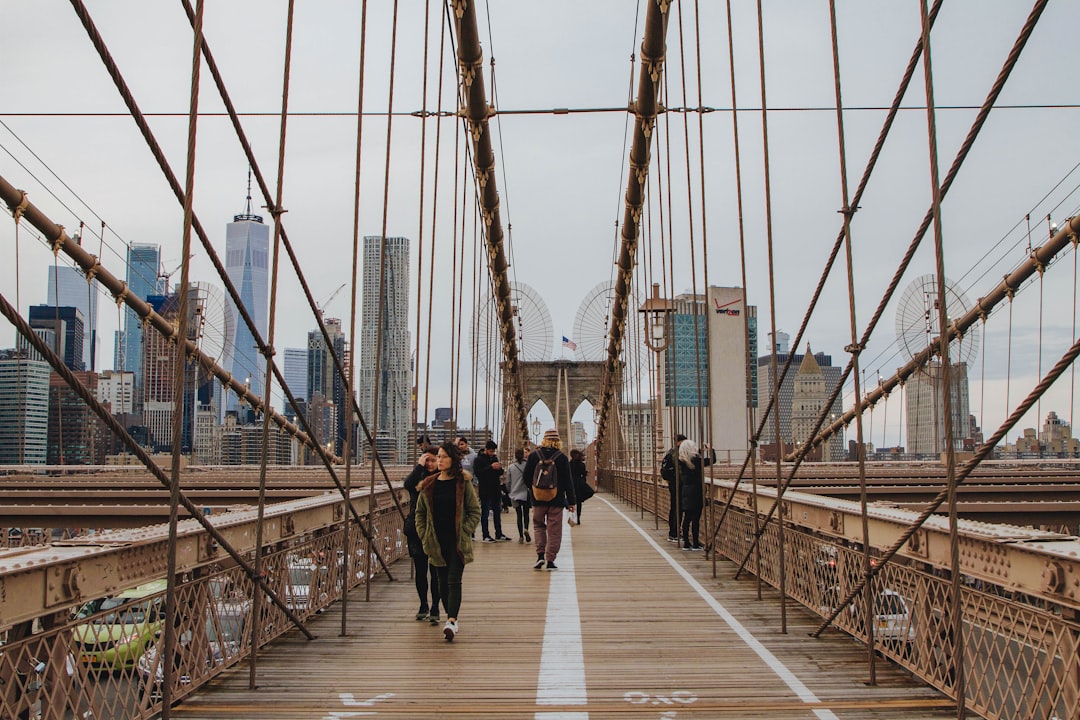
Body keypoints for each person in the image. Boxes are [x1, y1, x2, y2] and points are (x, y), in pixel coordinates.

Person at [414, 440, 481, 641]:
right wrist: (424, 535)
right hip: (436, 541)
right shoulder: (428, 484)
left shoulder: (463, 482)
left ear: (453, 460)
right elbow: (420, 513)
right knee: (442, 583)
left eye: (443, 457)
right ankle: (450, 617)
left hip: (457, 541)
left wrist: (466, 530)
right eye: (438, 457)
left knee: (454, 580)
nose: (439, 460)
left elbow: (474, 511)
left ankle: (452, 620)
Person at [523, 429, 576, 570]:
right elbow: (568, 481)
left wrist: (535, 489)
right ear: (558, 441)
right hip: (556, 500)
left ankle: (540, 555)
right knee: (554, 531)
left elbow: (526, 478)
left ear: (544, 440)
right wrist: (571, 501)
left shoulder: (534, 456)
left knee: (538, 526)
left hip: (538, 499)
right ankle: (550, 560)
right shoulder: (562, 458)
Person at [402, 448, 441, 623]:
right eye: (427, 461)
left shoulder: (444, 478)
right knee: (420, 569)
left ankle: (435, 607)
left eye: (434, 460)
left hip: (437, 529)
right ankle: (423, 604)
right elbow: (408, 485)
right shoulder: (417, 478)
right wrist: (418, 467)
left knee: (436, 571)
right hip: (416, 529)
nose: (430, 464)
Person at [677, 439, 714, 551]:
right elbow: (712, 460)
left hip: (685, 490)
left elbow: (694, 456)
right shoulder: (696, 460)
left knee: (687, 518)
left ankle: (687, 543)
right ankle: (696, 543)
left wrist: (699, 451)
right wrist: (710, 449)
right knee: (696, 519)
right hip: (696, 491)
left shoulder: (682, 460)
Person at [474, 440, 510, 542]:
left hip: (495, 489)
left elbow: (500, 472)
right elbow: (478, 473)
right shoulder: (479, 460)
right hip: (485, 490)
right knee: (485, 512)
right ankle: (485, 535)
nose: (492, 453)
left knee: (497, 512)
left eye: (493, 451)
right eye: (490, 451)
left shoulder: (494, 458)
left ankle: (499, 533)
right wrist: (491, 467)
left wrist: (499, 468)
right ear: (486, 450)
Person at [660, 434, 686, 542]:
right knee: (678, 508)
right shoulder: (677, 453)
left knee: (675, 508)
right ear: (679, 442)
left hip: (673, 484)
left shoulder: (669, 453)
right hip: (678, 484)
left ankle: (673, 532)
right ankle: (675, 533)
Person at [506, 447, 531, 543]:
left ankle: (521, 536)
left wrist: (509, 491)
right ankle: (526, 529)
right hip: (525, 492)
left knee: (518, 515)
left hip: (515, 493)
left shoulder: (511, 467)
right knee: (526, 513)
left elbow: (508, 481)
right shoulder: (527, 465)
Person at [568, 448, 593, 525]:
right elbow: (583, 473)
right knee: (589, 493)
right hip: (580, 483)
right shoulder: (581, 464)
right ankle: (578, 518)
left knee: (572, 501)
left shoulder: (569, 464)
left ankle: (572, 517)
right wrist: (585, 473)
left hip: (571, 483)